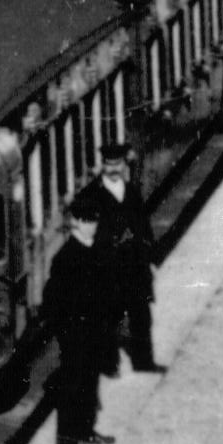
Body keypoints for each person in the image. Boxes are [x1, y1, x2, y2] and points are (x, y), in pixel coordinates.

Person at [43, 191, 117, 444]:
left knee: (89, 383)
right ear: (74, 221)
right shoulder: (65, 257)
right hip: (75, 334)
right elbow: (53, 301)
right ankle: (67, 440)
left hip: (94, 330)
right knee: (72, 385)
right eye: (86, 220)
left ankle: (86, 430)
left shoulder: (93, 251)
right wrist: (66, 332)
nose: (91, 225)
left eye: (94, 220)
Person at [91, 145, 161, 374]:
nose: (113, 169)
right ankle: (109, 365)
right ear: (103, 165)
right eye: (109, 164)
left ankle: (144, 362)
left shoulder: (130, 191)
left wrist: (151, 258)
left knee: (141, 316)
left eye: (117, 164)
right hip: (110, 267)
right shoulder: (94, 195)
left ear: (123, 165)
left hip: (136, 265)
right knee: (109, 318)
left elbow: (144, 226)